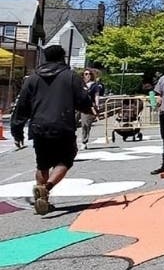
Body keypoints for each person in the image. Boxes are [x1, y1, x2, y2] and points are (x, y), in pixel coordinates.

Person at [10, 45, 92, 215]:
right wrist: (88, 109)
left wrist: (16, 130)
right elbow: (83, 100)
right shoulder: (70, 76)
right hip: (62, 124)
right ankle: (46, 188)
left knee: (43, 164)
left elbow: (22, 106)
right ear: (63, 57)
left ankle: (43, 200)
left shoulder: (32, 78)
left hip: (38, 126)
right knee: (66, 159)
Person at [79, 68, 105, 148]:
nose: (88, 76)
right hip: (80, 106)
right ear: (83, 75)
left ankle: (84, 141)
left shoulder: (94, 85)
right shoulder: (81, 84)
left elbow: (96, 96)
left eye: (89, 74)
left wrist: (97, 105)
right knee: (79, 124)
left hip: (90, 107)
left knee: (86, 124)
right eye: (86, 74)